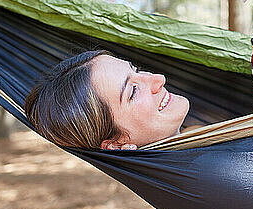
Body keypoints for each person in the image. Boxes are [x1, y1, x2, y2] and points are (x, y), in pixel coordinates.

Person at [24, 50, 190, 150]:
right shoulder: (208, 179)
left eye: (136, 70)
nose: (158, 78)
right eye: (133, 90)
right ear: (115, 144)